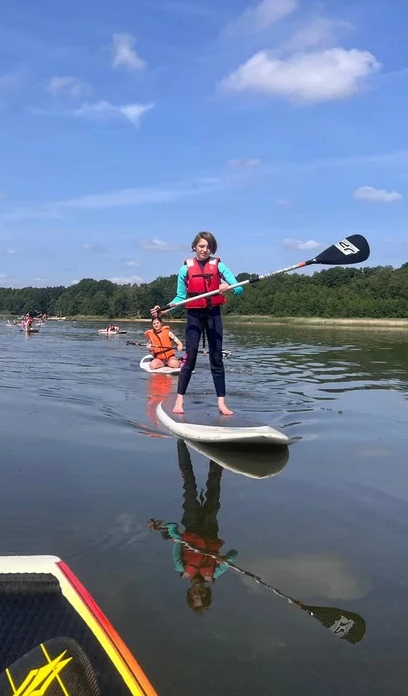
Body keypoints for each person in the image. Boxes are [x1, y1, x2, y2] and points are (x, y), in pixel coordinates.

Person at [150, 231, 243, 416]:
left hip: (213, 315)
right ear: (194, 247)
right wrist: (164, 310)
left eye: (208, 247)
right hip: (194, 315)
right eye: (201, 246)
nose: (205, 250)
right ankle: (179, 401)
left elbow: (239, 289)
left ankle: (222, 404)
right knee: (189, 357)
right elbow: (180, 298)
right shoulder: (185, 270)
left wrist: (227, 287)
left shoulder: (219, 266)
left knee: (216, 359)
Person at [148, 441, 237, 614]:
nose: (199, 592)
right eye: (202, 595)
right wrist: (225, 559)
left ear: (190, 592)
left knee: (189, 485)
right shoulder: (215, 572)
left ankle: (180, 441)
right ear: (207, 592)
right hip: (210, 525)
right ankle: (218, 444)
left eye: (195, 595)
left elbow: (176, 535)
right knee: (214, 484)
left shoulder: (181, 567)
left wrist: (165, 526)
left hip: (191, 523)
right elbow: (234, 554)